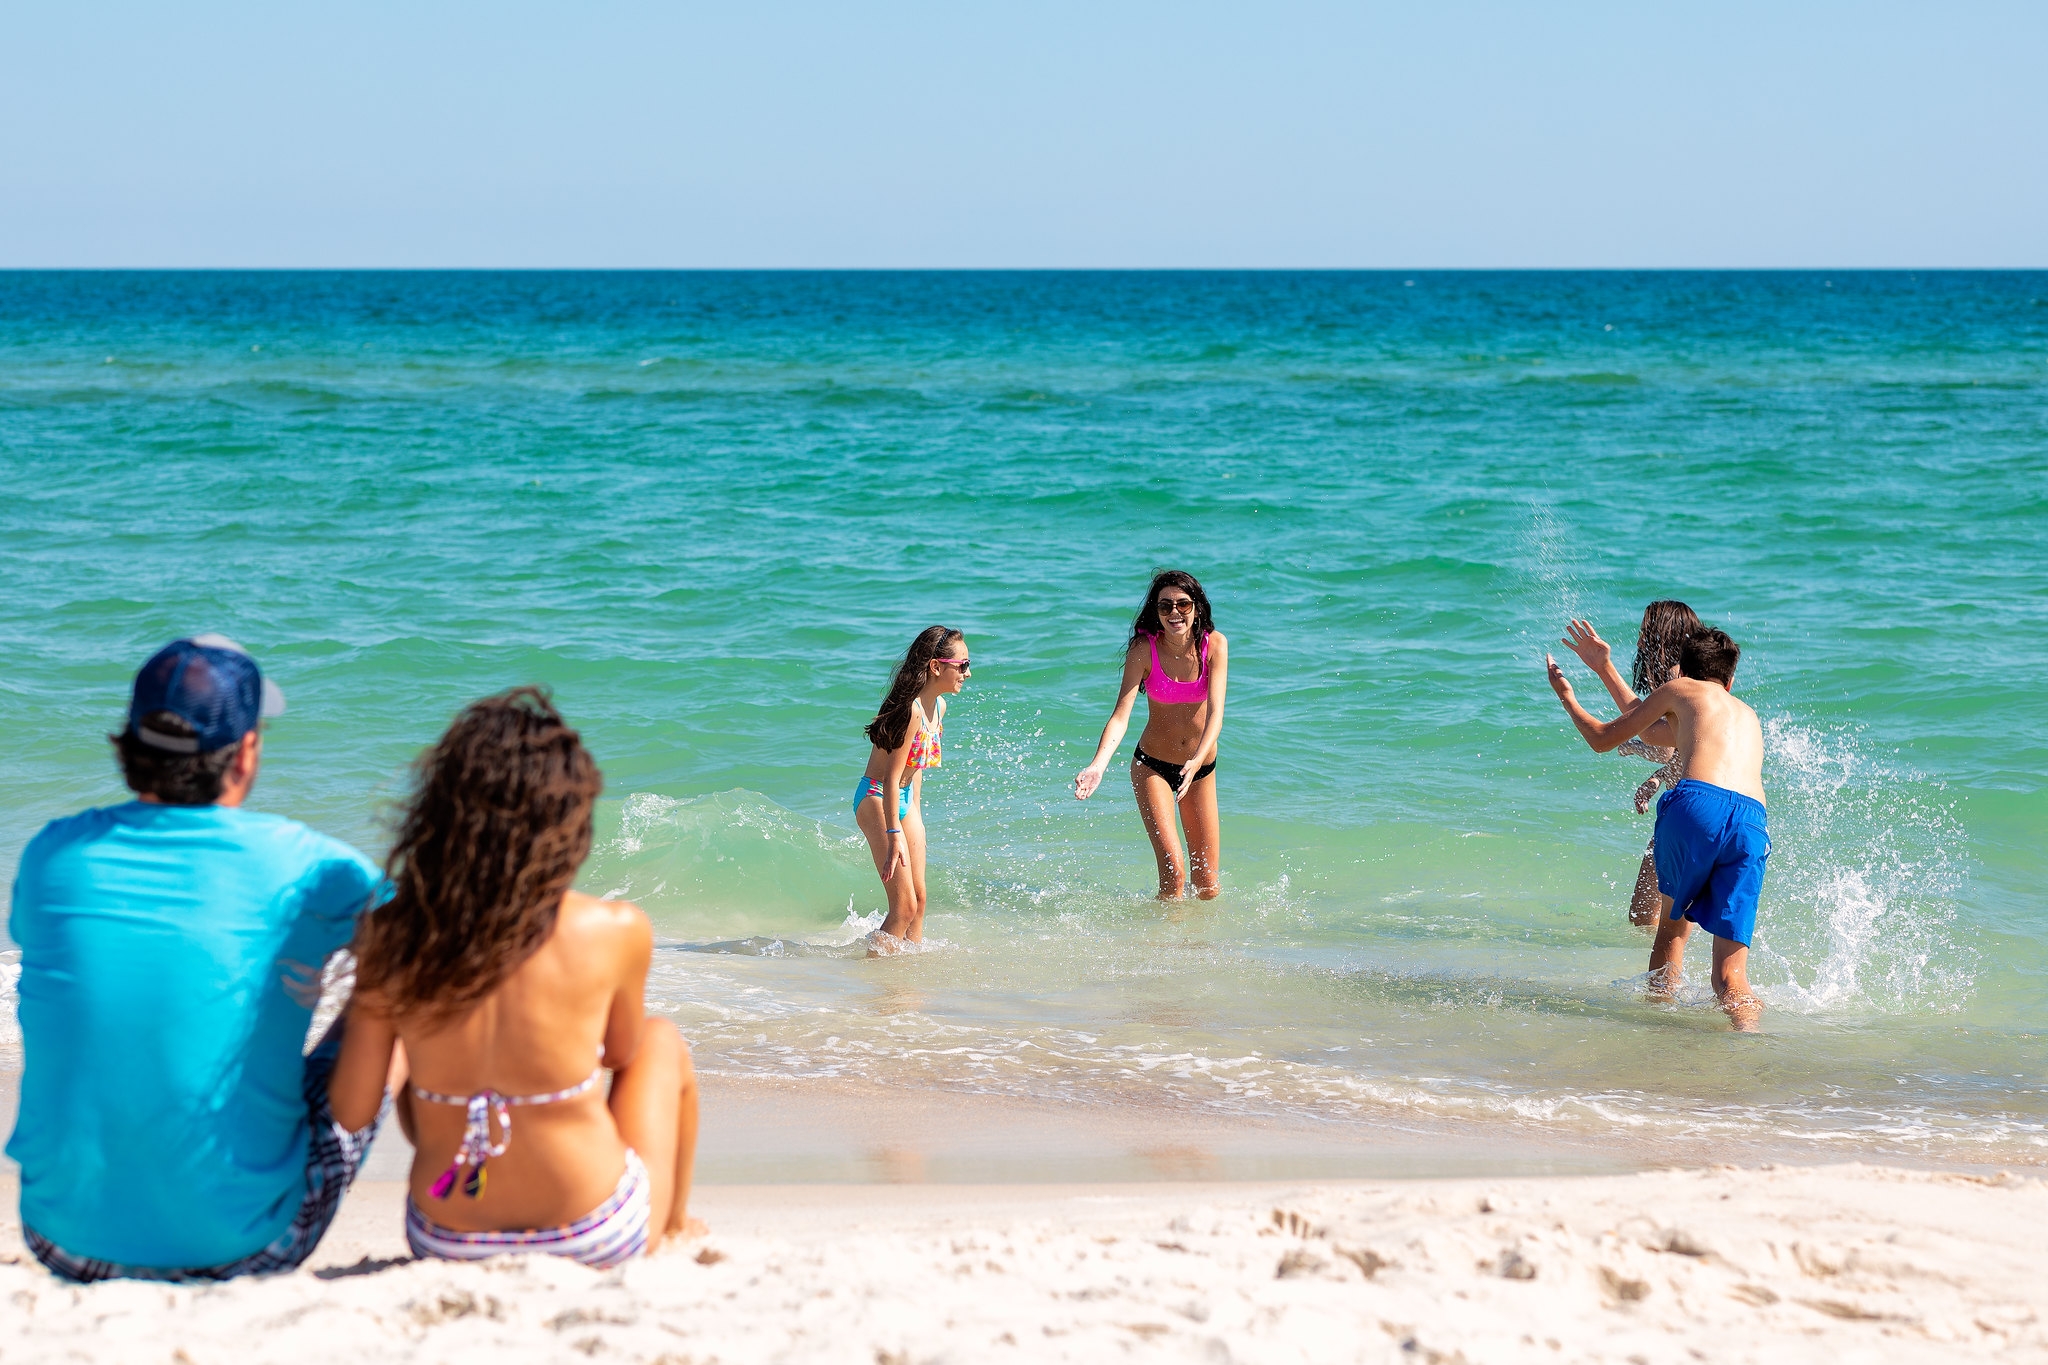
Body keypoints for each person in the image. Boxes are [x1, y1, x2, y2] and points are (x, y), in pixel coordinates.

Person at [8, 636, 390, 1281]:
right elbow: (433, 933)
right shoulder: (304, 864)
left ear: (130, 742)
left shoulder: (52, 853)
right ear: (245, 753)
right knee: (404, 975)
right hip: (248, 1245)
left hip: (61, 1237)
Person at [327, 688, 704, 1266]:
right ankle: (673, 1225)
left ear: (441, 816)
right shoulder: (615, 927)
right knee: (660, 1040)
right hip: (595, 1230)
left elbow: (352, 1112)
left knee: (411, 1043)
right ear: (568, 821)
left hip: (444, 1234)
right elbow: (618, 1054)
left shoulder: (393, 933)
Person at [1546, 627, 1769, 1031]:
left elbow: (1602, 739)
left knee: (1672, 934)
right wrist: (1604, 667)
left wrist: (1567, 697)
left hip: (1697, 806)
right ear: (1730, 679)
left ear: (1683, 670)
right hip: (1752, 821)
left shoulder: (1679, 689)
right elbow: (1655, 735)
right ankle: (1750, 1040)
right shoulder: (1747, 714)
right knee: (1731, 977)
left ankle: (1660, 1034)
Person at [1073, 571, 1231, 900]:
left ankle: (1196, 936)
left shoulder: (1214, 645)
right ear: (1155, 611)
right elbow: (1120, 716)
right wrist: (1098, 765)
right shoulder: (1143, 649)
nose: (1175, 613)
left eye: (1183, 604)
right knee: (1174, 875)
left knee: (1207, 886)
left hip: (1200, 768)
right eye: (1165, 606)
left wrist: (1196, 761)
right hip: (1153, 766)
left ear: (1197, 607)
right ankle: (1162, 934)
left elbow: (1216, 715)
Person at [1558, 600, 1703, 926]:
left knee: (1654, 923)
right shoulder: (1698, 683)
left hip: (1688, 812)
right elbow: (1681, 746)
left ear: (1663, 635)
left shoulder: (1677, 678)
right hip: (1698, 808)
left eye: (1644, 631)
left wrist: (1601, 669)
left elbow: (1653, 734)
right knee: (1654, 919)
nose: (1639, 640)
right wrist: (1657, 778)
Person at [850, 626, 970, 952]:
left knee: (920, 900)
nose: (967, 673)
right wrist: (894, 834)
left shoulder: (939, 708)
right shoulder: (912, 711)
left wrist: (915, 816)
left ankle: (905, 975)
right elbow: (891, 778)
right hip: (876, 796)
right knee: (903, 908)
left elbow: (915, 770)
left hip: (904, 800)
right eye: (962, 665)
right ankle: (872, 971)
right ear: (936, 667)